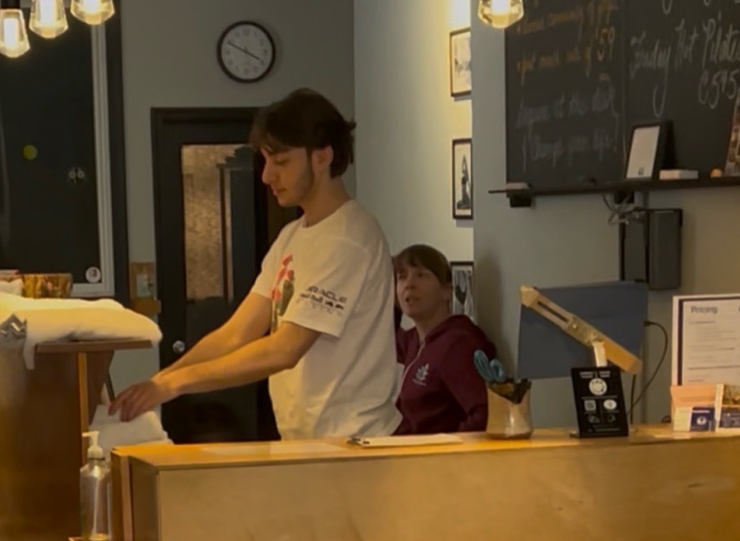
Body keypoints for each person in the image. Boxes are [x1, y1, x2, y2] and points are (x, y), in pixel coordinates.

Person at [112, 88, 399, 439]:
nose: (267, 176)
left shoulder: (348, 238)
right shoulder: (293, 235)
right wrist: (160, 381)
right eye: (265, 161)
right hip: (309, 440)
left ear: (322, 157)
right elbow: (237, 332)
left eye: (281, 162)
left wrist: (175, 384)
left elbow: (285, 349)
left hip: (354, 440)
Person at [393, 244, 498, 434]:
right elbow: (380, 344)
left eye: (421, 275)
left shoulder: (457, 344)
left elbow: (485, 414)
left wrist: (445, 446)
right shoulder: (413, 341)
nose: (409, 284)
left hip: (437, 451)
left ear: (446, 291)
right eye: (402, 277)